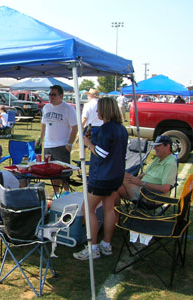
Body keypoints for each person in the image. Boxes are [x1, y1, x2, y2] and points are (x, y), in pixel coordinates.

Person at [73, 97, 128, 260]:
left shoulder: (106, 129)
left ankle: (93, 247)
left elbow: (102, 153)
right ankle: (106, 244)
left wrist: (88, 143)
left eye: (98, 109)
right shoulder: (121, 128)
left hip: (102, 177)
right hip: (116, 176)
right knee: (108, 208)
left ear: (105, 110)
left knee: (87, 210)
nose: (96, 112)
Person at [38, 84, 77, 198]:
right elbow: (44, 125)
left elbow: (75, 127)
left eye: (53, 95)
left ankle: (66, 192)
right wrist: (41, 139)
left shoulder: (68, 109)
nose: (50, 97)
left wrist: (69, 143)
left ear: (61, 96)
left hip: (62, 145)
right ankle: (56, 193)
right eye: (49, 94)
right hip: (49, 145)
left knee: (63, 172)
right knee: (51, 172)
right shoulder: (46, 107)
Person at [116, 135, 177, 202]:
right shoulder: (158, 158)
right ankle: (114, 211)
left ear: (167, 146)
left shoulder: (170, 163)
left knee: (116, 182)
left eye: (157, 146)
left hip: (151, 196)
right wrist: (134, 179)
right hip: (143, 190)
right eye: (154, 145)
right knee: (120, 178)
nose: (154, 148)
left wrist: (141, 183)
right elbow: (144, 174)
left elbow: (165, 189)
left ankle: (110, 209)